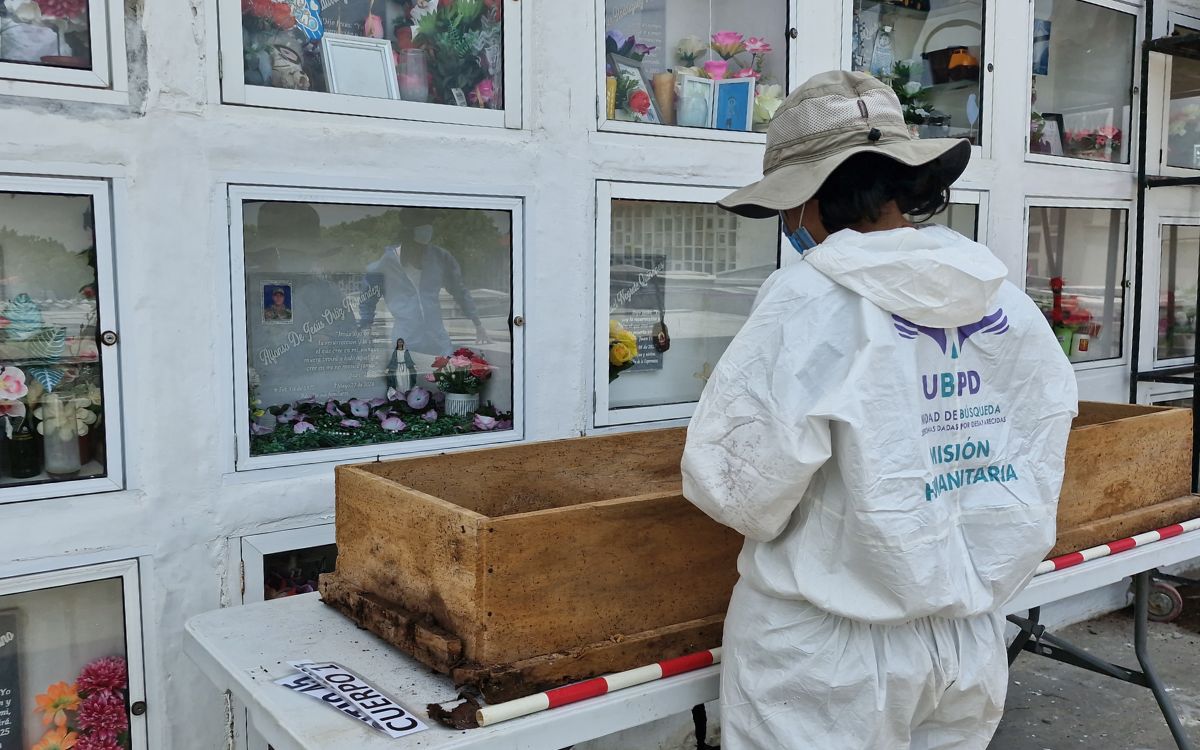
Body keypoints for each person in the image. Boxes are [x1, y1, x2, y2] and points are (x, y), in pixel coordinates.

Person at [681, 70, 1079, 750]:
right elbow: (1040, 442)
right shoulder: (1005, 300)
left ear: (807, 198)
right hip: (968, 638)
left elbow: (738, 490)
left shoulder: (806, 299)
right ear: (901, 184)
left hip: (825, 657)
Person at [360, 222, 491, 356]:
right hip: (406, 339)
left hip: (438, 339)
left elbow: (459, 290)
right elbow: (368, 299)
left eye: (425, 248)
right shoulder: (384, 265)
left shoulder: (439, 257)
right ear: (406, 243)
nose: (421, 253)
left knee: (447, 371)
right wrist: (366, 328)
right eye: (417, 247)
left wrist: (477, 323)